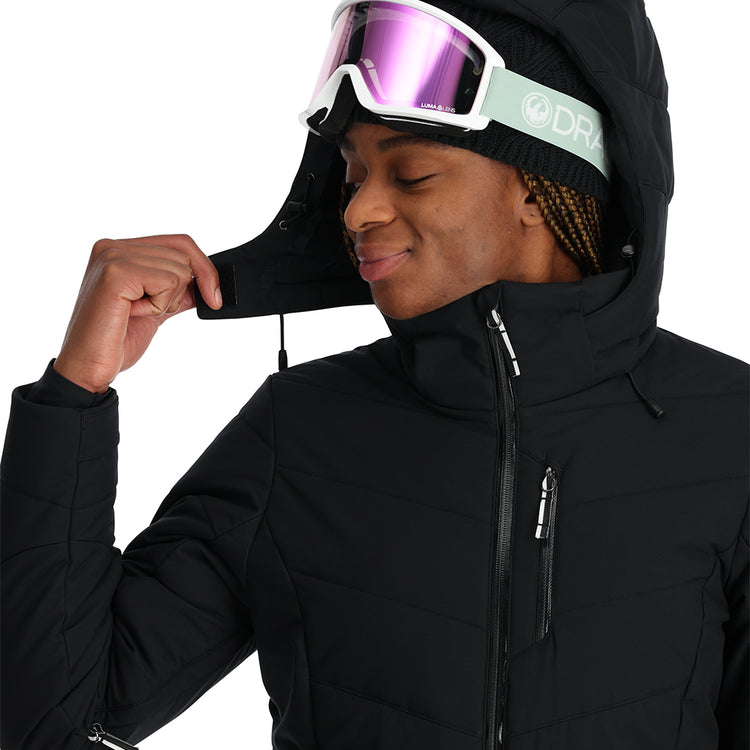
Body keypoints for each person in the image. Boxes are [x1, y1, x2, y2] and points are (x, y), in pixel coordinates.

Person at [1, 1, 748, 749]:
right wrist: (74, 392)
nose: (359, 210)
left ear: (538, 184)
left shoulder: (728, 433)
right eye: (353, 174)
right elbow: (54, 724)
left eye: (411, 173)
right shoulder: (298, 432)